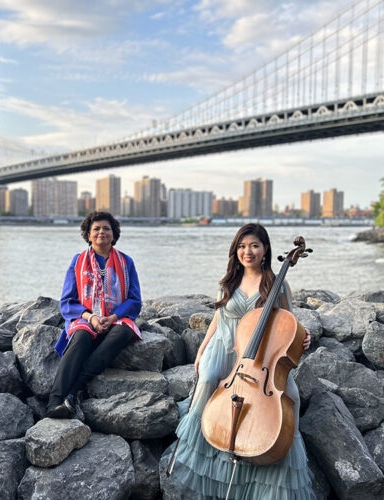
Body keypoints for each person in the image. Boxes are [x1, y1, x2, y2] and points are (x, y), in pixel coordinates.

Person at [169, 223, 314, 499]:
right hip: (224, 346)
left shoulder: (277, 283)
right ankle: (202, 447)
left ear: (265, 250)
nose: (248, 252)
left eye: (254, 246)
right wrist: (202, 349)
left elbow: (288, 323)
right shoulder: (228, 282)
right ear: (236, 250)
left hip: (260, 356)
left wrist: (304, 338)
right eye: (242, 246)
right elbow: (217, 318)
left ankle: (274, 453)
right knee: (210, 378)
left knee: (291, 396)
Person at [47, 211, 142, 420]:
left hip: (116, 319)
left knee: (122, 333)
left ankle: (74, 390)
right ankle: (54, 402)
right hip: (87, 318)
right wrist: (91, 317)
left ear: (114, 233)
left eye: (106, 228)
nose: (101, 232)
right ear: (88, 235)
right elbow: (68, 301)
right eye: (96, 229)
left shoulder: (126, 262)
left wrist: (114, 317)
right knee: (80, 338)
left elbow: (135, 300)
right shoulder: (78, 261)